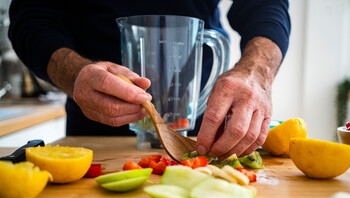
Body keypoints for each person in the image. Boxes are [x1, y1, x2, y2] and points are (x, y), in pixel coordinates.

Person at [8, 0, 290, 158]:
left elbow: (265, 4)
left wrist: (257, 72)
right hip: (91, 129)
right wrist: (75, 73)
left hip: (202, 134)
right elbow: (32, 17)